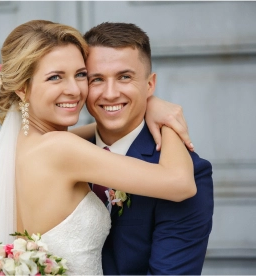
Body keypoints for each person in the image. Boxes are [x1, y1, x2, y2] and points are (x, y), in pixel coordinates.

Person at [0, 20, 196, 275]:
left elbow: (96, 133)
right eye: (55, 77)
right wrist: (167, 121)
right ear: (22, 87)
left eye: (81, 74)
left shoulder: (23, 144)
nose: (74, 90)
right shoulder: (62, 149)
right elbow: (180, 183)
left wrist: (147, 103)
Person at [83, 22, 214, 275]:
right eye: (96, 79)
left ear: (150, 85)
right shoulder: (63, 152)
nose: (110, 94)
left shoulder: (189, 172)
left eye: (125, 77)